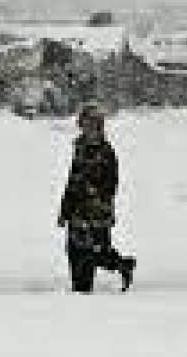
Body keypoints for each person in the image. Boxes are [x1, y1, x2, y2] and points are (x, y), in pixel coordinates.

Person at [57, 104, 137, 293]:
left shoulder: (106, 152)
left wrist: (95, 198)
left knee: (96, 252)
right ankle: (84, 284)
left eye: (90, 125)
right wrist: (65, 210)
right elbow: (72, 181)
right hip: (77, 211)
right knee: (75, 251)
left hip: (96, 213)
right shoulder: (81, 148)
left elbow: (110, 185)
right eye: (83, 124)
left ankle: (116, 269)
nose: (86, 128)